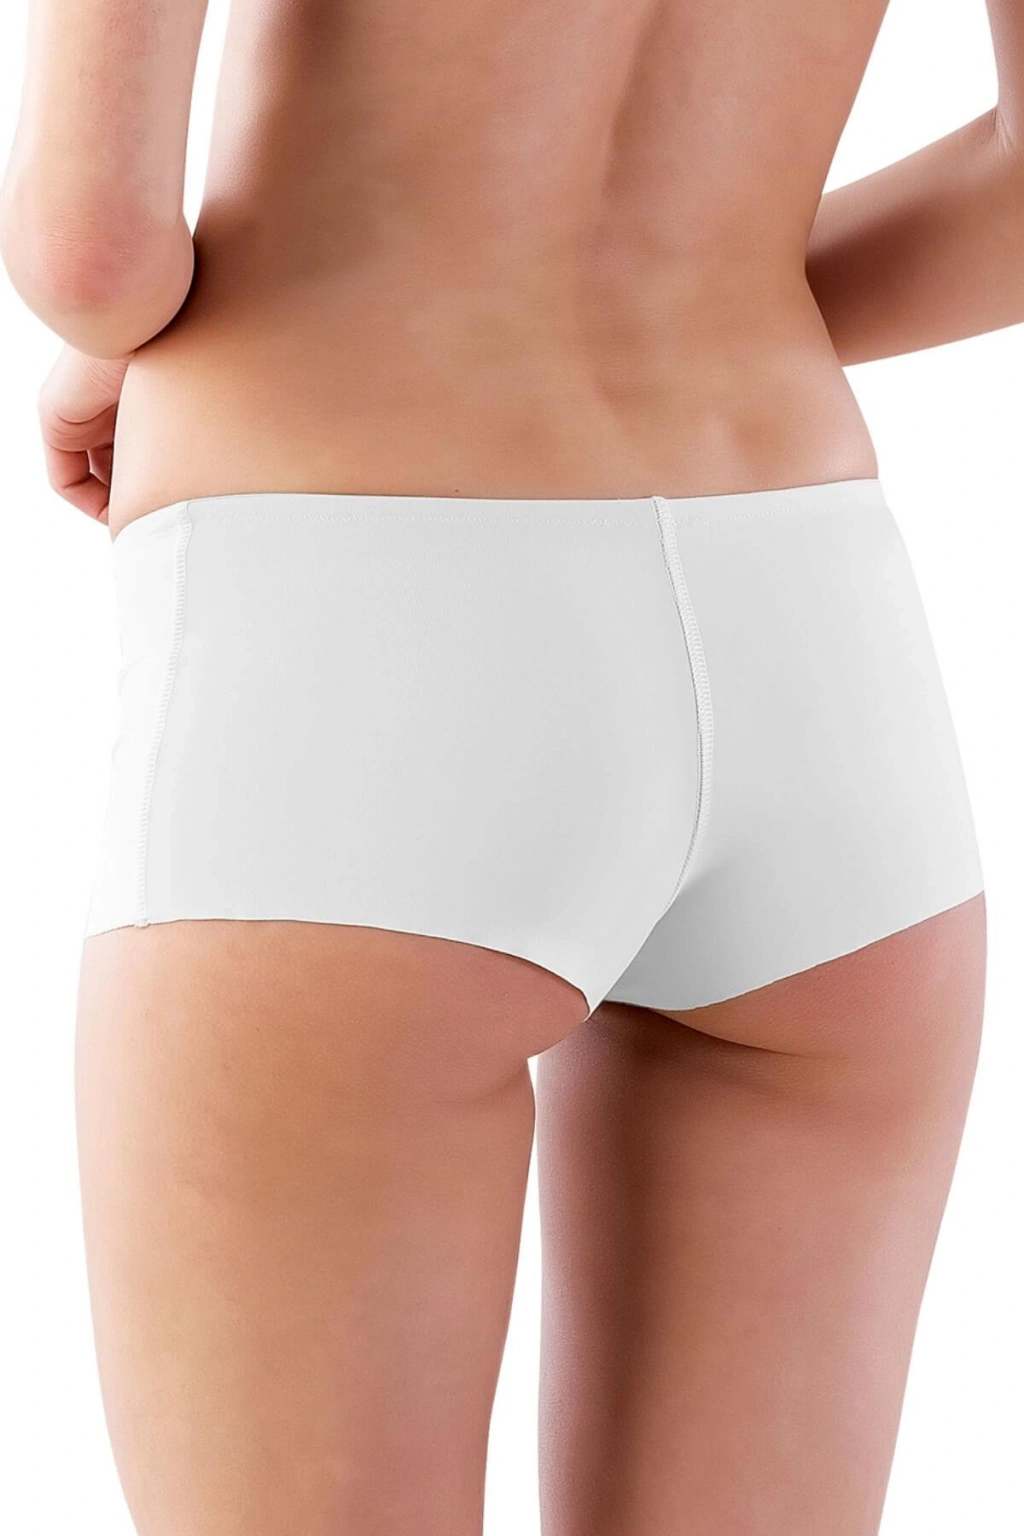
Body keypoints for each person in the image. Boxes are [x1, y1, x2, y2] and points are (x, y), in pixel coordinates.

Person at [1, 0, 1018, 1530]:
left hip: (362, 623)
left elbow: (93, 251)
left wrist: (107, 349)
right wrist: (697, 287)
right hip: (813, 630)